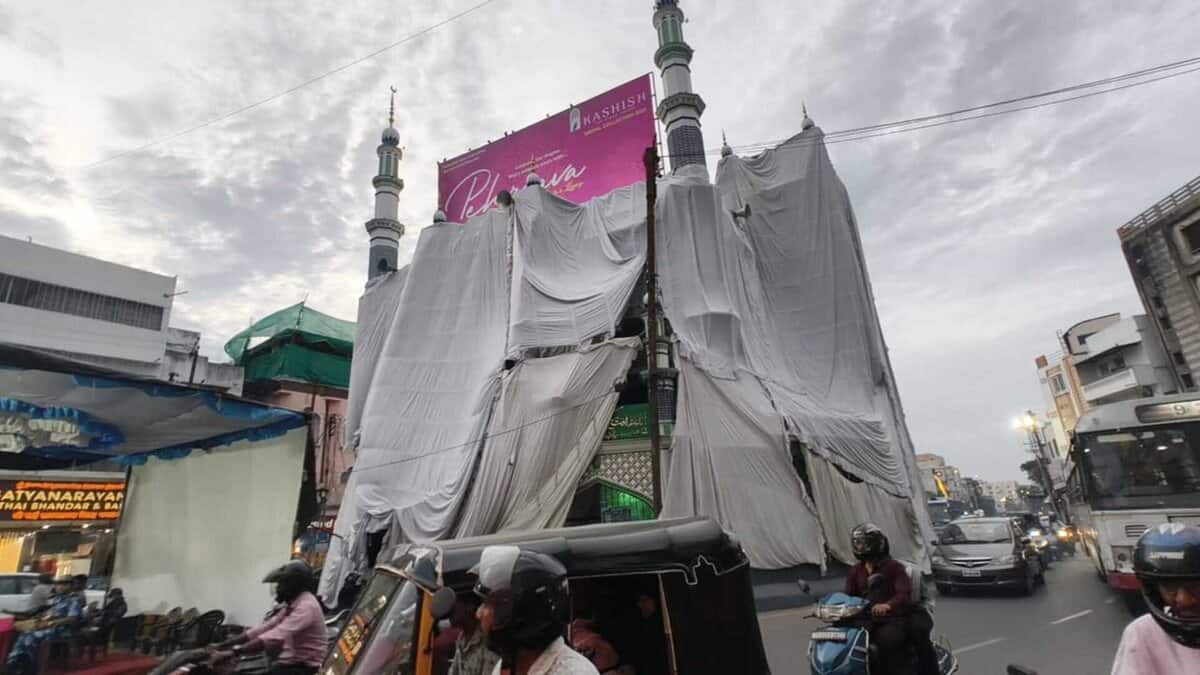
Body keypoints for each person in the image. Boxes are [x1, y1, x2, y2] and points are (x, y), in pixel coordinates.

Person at [471, 545, 598, 675]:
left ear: (520, 617)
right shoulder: (507, 667)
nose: (478, 614)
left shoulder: (573, 671)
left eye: (486, 605)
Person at [843, 523, 938, 675]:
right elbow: (847, 596)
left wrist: (887, 605)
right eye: (857, 543)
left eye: (863, 543)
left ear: (877, 544)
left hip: (892, 618)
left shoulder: (894, 568)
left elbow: (903, 593)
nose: (859, 547)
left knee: (887, 639)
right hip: (866, 619)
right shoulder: (855, 571)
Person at [210, 560, 327, 675]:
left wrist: (234, 652)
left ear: (293, 584)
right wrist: (223, 645)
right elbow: (266, 627)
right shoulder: (295, 603)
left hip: (304, 668)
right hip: (290, 663)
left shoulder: (306, 606)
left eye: (281, 583)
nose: (278, 588)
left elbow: (275, 636)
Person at [1111, 523, 1200, 674]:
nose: (1183, 599)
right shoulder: (1142, 633)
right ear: (1155, 590)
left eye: (1196, 586)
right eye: (1170, 587)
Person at [5, 576, 86, 675]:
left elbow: (72, 618)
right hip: (51, 627)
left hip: (63, 630)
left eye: (65, 584)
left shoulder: (74, 600)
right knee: (21, 633)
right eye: (58, 584)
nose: (60, 586)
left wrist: (51, 623)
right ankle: (18, 664)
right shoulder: (57, 599)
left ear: (71, 586)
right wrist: (44, 619)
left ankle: (29, 667)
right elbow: (52, 613)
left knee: (30, 635)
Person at [449, 593, 500, 675]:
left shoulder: (488, 642)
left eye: (453, 604)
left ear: (470, 606)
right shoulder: (462, 639)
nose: (448, 609)